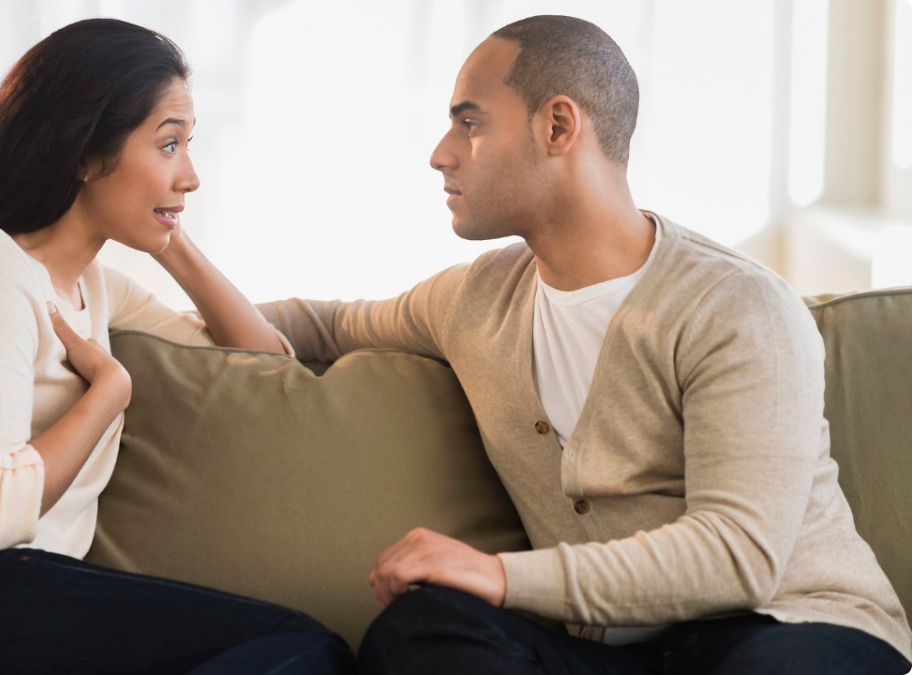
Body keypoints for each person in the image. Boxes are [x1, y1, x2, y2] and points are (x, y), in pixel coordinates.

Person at [257, 14, 912, 675]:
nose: (442, 152)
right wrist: (163, 301)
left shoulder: (736, 307)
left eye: (471, 123)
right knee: (421, 630)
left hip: (793, 629)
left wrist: (499, 574)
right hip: (615, 654)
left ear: (558, 127)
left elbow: (738, 555)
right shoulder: (473, 300)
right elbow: (322, 324)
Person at [0, 18, 354, 675]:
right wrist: (109, 393)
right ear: (85, 154)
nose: (192, 176)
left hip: (9, 610)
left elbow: (262, 367)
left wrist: (171, 237)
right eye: (169, 145)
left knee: (303, 649)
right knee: (304, 647)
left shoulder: (98, 288)